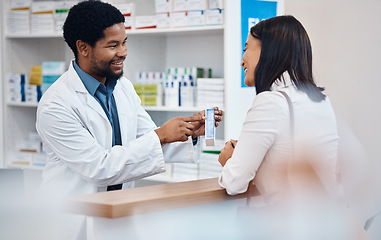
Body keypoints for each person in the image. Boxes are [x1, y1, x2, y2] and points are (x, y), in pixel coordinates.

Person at [35, 1, 223, 239]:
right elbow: (99, 168)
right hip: (72, 222)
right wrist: (161, 134)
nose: (123, 52)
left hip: (116, 214)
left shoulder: (123, 88)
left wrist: (189, 132)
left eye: (124, 42)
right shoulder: (56, 104)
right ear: (83, 47)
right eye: (112, 45)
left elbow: (149, 141)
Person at [217, 15, 339, 205]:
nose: (242, 61)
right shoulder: (320, 100)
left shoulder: (270, 102)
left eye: (246, 48)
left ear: (268, 51)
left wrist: (230, 159)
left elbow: (234, 183)